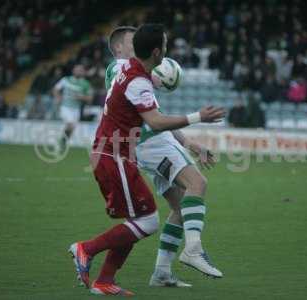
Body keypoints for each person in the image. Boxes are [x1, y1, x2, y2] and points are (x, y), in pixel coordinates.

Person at [68, 24, 225, 296]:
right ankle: (192, 249)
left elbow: (153, 113)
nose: (135, 43)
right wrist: (196, 116)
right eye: (132, 40)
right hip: (133, 148)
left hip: (127, 151)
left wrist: (187, 142)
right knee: (190, 188)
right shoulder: (123, 70)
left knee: (167, 210)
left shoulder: (136, 74)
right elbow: (153, 119)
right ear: (119, 48)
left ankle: (128, 276)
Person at [53, 64, 93, 151]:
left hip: (76, 109)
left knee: (71, 129)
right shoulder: (65, 80)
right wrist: (58, 97)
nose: (78, 71)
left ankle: (62, 143)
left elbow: (90, 98)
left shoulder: (85, 84)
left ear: (83, 72)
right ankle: (60, 143)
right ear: (73, 71)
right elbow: (56, 89)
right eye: (77, 69)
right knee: (70, 124)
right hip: (65, 107)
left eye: (80, 70)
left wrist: (81, 97)